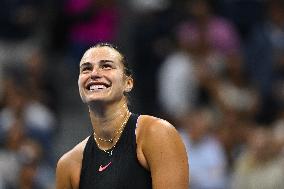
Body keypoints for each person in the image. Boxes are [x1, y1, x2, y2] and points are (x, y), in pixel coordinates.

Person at [55, 43, 189, 189]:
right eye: (86, 69)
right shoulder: (68, 165)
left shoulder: (157, 133)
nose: (94, 74)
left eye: (106, 66)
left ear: (128, 83)